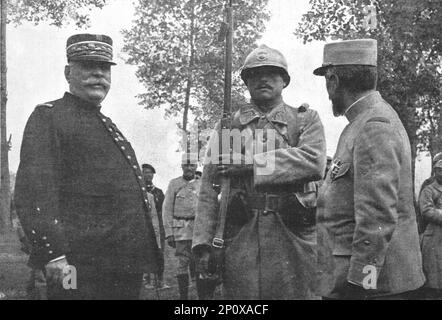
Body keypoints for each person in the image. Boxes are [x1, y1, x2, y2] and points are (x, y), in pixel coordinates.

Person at [14, 33, 160, 300]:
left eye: (104, 68)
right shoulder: (48, 116)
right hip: (75, 265)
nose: (98, 74)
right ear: (69, 72)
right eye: (87, 67)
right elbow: (34, 191)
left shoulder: (108, 126)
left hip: (122, 265)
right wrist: (53, 254)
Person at [192, 44, 326, 299]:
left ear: (284, 80)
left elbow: (313, 162)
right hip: (242, 236)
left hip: (293, 234)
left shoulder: (305, 120)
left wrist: (252, 165)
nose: (263, 79)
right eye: (255, 74)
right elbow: (209, 189)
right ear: (246, 81)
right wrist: (202, 243)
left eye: (272, 73)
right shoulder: (228, 126)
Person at [314, 39, 425, 299]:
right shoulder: (363, 122)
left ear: (333, 80)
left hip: (374, 288)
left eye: (327, 83)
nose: (328, 92)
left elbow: (377, 216)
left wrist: (362, 282)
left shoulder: (373, 125)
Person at [162, 154, 201, 299]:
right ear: (182, 166)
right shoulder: (174, 184)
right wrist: (169, 233)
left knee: (199, 262)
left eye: (192, 165)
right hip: (180, 229)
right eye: (186, 165)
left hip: (198, 229)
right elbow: (166, 209)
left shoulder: (202, 184)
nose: (189, 168)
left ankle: (201, 295)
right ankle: (183, 298)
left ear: (196, 166)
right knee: (182, 263)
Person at [141, 163, 168, 289]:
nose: (148, 175)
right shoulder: (139, 191)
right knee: (145, 251)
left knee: (159, 252)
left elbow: (163, 209)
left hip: (158, 225)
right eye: (145, 172)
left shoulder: (158, 192)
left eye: (150, 172)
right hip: (144, 225)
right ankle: (147, 280)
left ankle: (160, 280)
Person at [419, 159, 442, 299]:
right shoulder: (429, 190)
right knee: (434, 276)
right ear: (435, 172)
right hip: (434, 237)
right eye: (440, 170)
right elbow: (426, 211)